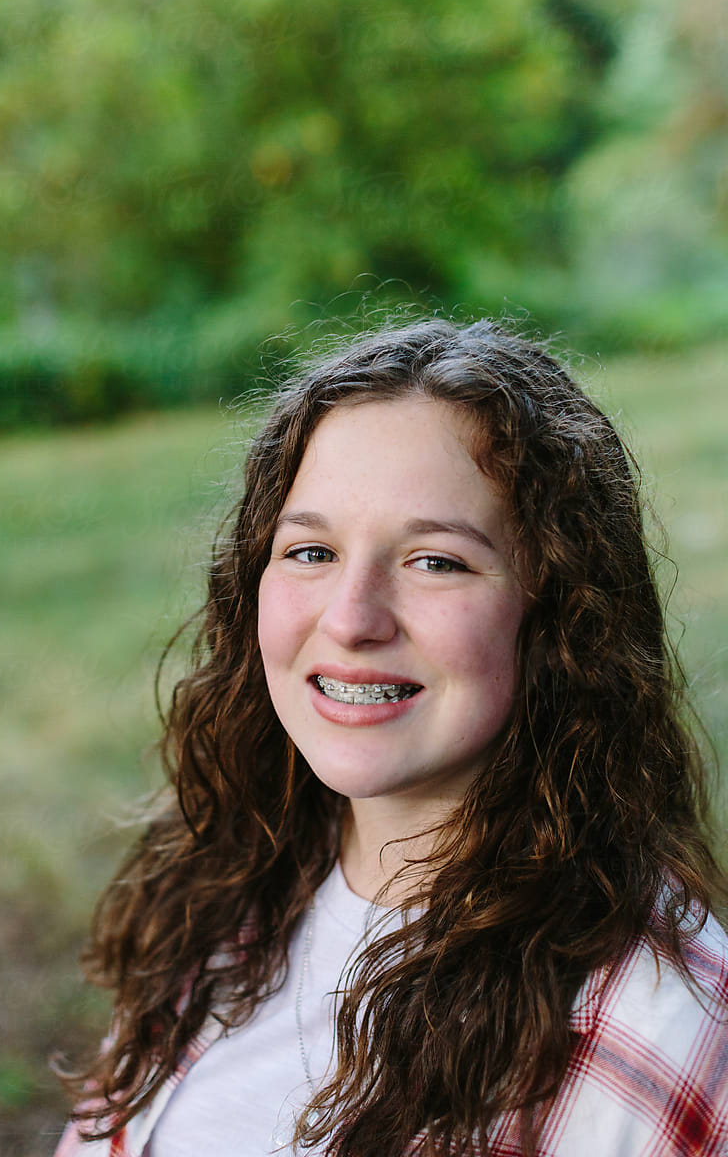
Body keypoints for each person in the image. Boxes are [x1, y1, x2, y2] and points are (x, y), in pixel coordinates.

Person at [53, 319, 728, 1157]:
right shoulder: (226, 893)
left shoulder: (654, 1030)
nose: (351, 619)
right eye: (310, 551)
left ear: (559, 613)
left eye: (435, 560)